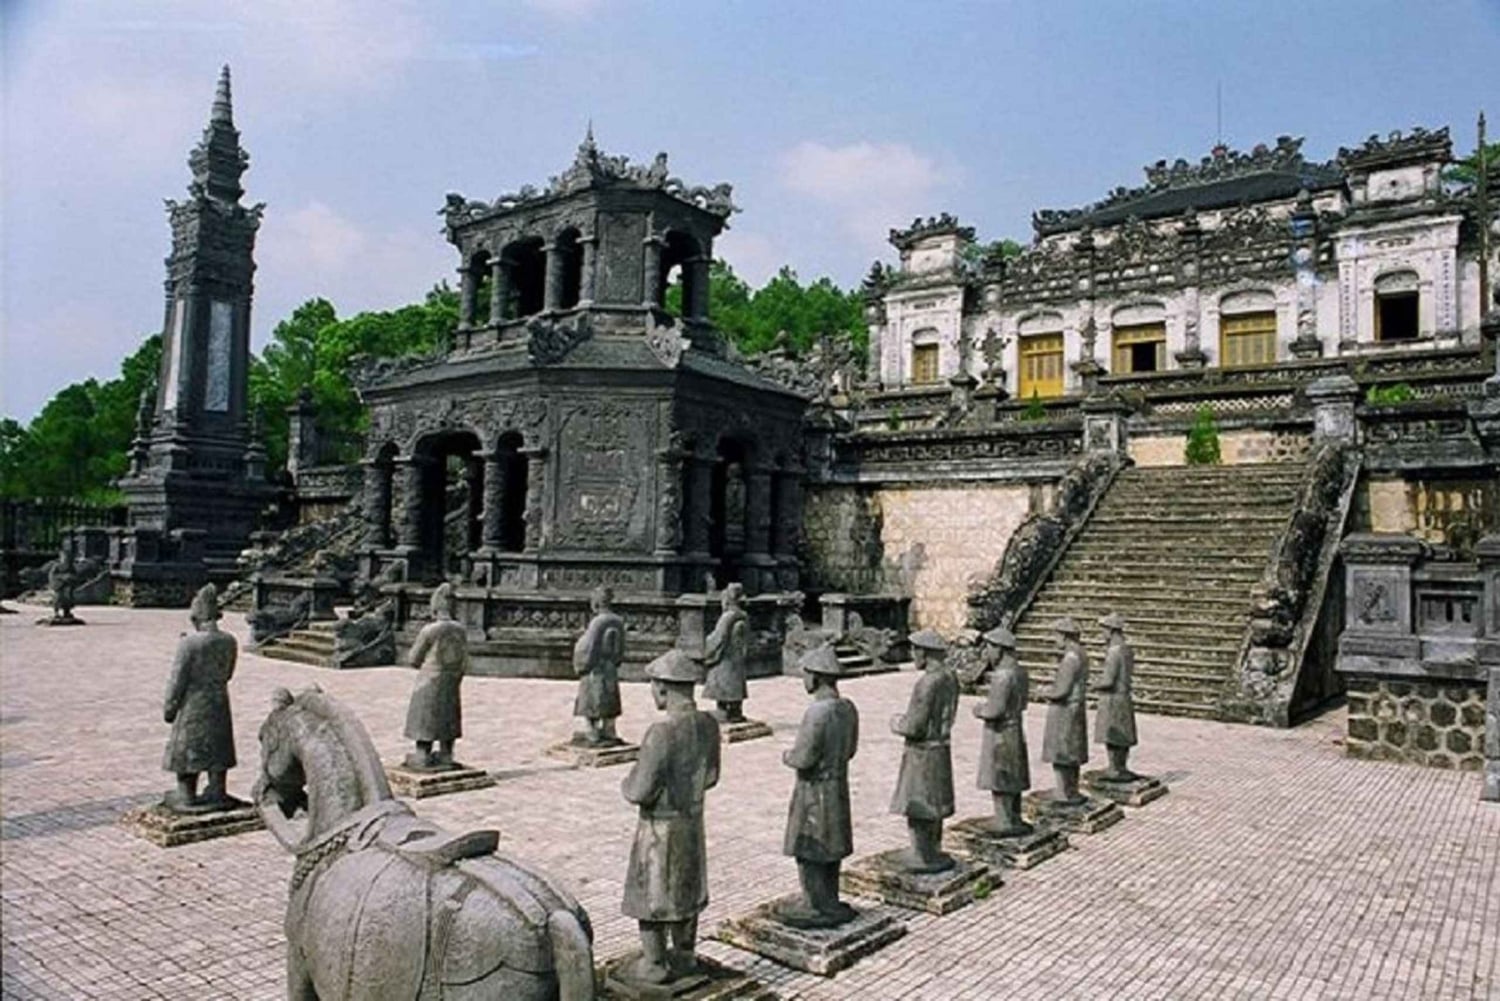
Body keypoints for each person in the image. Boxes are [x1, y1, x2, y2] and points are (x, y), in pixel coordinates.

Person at [619, 649, 720, 986]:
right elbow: (712, 776)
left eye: (653, 686)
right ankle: (685, 953)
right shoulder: (708, 725)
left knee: (651, 894)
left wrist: (626, 783)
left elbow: (639, 790)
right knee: (687, 887)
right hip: (692, 822)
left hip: (659, 827)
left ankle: (655, 962)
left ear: (662, 688)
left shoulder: (660, 733)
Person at [778, 643, 859, 929]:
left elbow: (804, 757)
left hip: (813, 790)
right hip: (837, 785)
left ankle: (813, 903)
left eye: (806, 674)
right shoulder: (847, 708)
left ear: (815, 676)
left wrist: (787, 755)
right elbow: (850, 750)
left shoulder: (817, 712)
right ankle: (831, 898)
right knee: (833, 845)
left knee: (809, 848)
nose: (804, 680)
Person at [161, 584, 238, 811]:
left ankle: (187, 795)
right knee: (218, 744)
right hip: (219, 700)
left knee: (187, 747)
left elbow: (177, 679)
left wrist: (170, 707)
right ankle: (218, 790)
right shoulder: (229, 641)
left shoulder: (190, 644)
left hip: (193, 701)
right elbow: (228, 674)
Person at [889, 629, 959, 872]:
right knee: (935, 803)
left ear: (924, 652)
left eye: (914, 650)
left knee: (918, 804)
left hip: (922, 752)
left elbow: (915, 726)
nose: (912, 655)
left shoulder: (927, 682)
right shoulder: (950, 677)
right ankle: (933, 850)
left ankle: (922, 854)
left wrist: (898, 723)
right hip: (941, 746)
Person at [973, 626, 1033, 836]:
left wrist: (980, 710)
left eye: (989, 647)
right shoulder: (1020, 671)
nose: (987, 652)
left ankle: (1004, 820)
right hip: (1015, 728)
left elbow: (994, 710)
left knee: (1000, 777)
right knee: (1013, 776)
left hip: (1000, 733)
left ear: (999, 648)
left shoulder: (1002, 676)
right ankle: (1013, 817)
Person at [402, 583, 468, 770]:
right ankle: (447, 753)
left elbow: (413, 658)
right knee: (448, 713)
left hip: (430, 677)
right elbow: (464, 658)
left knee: (425, 716)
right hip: (452, 676)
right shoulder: (460, 629)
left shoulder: (430, 630)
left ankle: (422, 754)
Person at [1041, 616, 1089, 803]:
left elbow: (1062, 690)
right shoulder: (1082, 653)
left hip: (1065, 708)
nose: (1055, 639)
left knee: (1061, 750)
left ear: (1065, 636)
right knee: (1073, 750)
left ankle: (1063, 791)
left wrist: (1046, 692)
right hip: (1076, 706)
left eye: (1057, 635)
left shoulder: (1070, 658)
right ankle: (1072, 788)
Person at [572, 586, 625, 746]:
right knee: (610, 697)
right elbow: (621, 648)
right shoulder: (618, 621)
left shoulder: (597, 622)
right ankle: (609, 729)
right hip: (610, 667)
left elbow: (588, 646)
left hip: (595, 667)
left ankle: (592, 732)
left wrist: (581, 664)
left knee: (591, 699)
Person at [1092, 612, 1139, 781]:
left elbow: (1108, 680)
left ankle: (1114, 768)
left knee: (1112, 734)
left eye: (1104, 629)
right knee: (1122, 735)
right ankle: (1121, 766)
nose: (1102, 634)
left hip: (1113, 697)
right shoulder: (1127, 649)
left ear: (1111, 630)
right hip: (1124, 696)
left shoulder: (1114, 651)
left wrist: (1093, 684)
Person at [701, 582, 749, 723]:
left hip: (725, 658)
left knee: (724, 682)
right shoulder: (743, 616)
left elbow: (718, 638)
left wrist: (708, 643)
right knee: (736, 682)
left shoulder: (727, 618)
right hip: (737, 657)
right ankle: (735, 710)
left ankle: (723, 710)